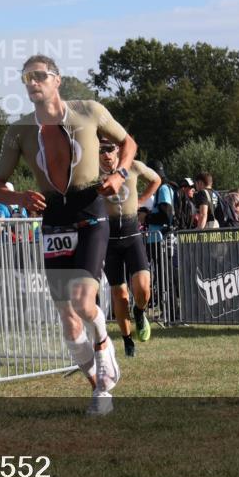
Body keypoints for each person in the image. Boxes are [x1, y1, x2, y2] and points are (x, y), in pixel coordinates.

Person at [0, 54, 138, 415]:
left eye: (39, 76)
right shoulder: (19, 131)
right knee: (68, 321)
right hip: (54, 216)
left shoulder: (89, 110)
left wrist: (119, 172)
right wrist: (18, 196)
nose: (32, 83)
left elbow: (128, 142)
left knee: (85, 302)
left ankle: (105, 351)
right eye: (27, 78)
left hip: (89, 208)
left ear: (57, 80)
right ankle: (101, 391)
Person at [98, 137, 159, 357]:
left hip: (133, 235)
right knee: (120, 293)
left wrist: (141, 200)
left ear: (117, 151)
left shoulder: (132, 165)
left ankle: (140, 311)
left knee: (143, 289)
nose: (105, 155)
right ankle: (127, 340)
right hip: (109, 241)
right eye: (100, 150)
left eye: (109, 149)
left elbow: (156, 179)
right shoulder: (93, 174)